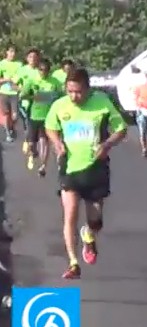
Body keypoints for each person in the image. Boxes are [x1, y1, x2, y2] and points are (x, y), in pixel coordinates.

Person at [44, 68, 127, 279]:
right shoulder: (59, 105)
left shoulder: (102, 102)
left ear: (88, 89)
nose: (74, 96)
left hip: (95, 168)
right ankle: (73, 263)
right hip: (69, 168)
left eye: (78, 92)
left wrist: (107, 144)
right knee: (70, 214)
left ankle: (88, 234)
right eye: (70, 91)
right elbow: (50, 127)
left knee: (95, 219)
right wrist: (57, 142)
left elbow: (121, 129)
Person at [19, 59, 63, 177]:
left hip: (49, 116)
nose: (43, 72)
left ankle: (43, 166)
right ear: (38, 70)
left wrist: (55, 100)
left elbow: (62, 96)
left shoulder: (55, 82)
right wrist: (34, 97)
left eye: (46, 70)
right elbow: (23, 95)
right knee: (32, 144)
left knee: (44, 141)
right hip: (34, 115)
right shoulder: (32, 80)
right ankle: (33, 152)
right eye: (41, 70)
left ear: (49, 70)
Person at [15, 49, 43, 148]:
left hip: (38, 104)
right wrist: (22, 89)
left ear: (38, 58)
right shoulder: (22, 70)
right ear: (27, 58)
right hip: (24, 103)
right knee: (27, 124)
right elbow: (13, 85)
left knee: (36, 127)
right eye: (30, 57)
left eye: (35, 57)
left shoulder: (41, 70)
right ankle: (28, 142)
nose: (33, 59)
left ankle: (32, 143)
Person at [0, 45, 22, 142]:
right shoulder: (2, 64)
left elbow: (21, 78)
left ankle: (12, 127)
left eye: (14, 52)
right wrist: (6, 79)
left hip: (15, 92)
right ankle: (8, 133)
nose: (12, 54)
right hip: (4, 92)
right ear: (7, 52)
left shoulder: (19, 64)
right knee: (5, 114)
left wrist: (19, 86)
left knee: (15, 116)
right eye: (11, 51)